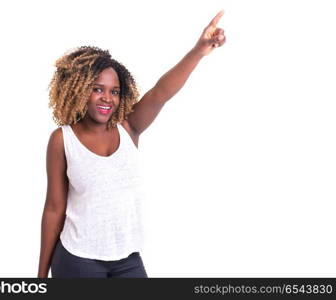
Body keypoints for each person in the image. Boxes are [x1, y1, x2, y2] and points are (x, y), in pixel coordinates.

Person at [37, 10, 226, 278]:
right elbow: (54, 208)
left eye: (114, 91)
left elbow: (161, 93)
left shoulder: (129, 128)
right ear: (80, 90)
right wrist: (41, 276)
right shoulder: (62, 139)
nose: (107, 98)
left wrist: (199, 50)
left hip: (127, 260)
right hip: (78, 259)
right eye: (97, 88)